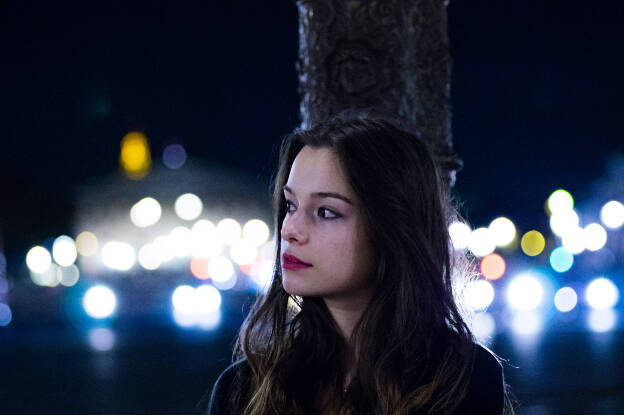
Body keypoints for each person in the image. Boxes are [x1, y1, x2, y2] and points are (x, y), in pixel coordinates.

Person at [201, 117, 513, 414]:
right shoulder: (243, 389)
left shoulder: (462, 380)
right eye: (291, 205)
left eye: (325, 212)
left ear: (391, 228)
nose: (289, 229)